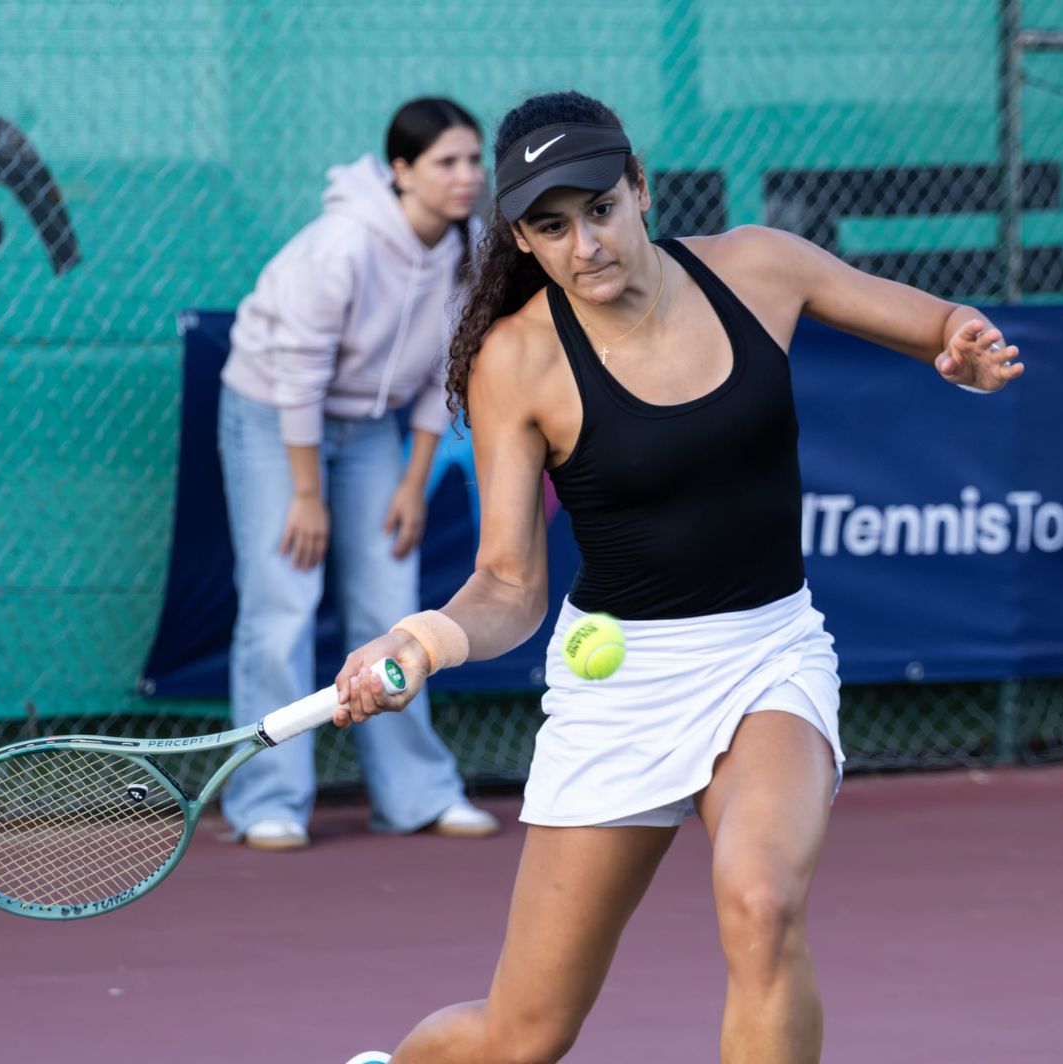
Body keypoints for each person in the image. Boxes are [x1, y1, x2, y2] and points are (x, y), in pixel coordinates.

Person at [332, 91, 1023, 1062]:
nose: (586, 245)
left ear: (642, 188)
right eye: (552, 226)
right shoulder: (517, 360)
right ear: (523, 241)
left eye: (601, 209)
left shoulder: (759, 268)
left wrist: (962, 345)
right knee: (521, 1036)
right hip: (621, 691)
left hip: (767, 654)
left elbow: (938, 323)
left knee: (762, 899)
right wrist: (422, 638)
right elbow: (508, 584)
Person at [216, 97, 499, 850]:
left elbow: (451, 364)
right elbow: (297, 377)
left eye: (474, 160)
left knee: (392, 605)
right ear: (402, 171)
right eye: (446, 162)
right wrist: (307, 495)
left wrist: (414, 480)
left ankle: (416, 793)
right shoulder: (345, 244)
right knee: (282, 602)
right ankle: (268, 801)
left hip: (376, 430)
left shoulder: (470, 244)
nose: (467, 176)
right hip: (273, 416)